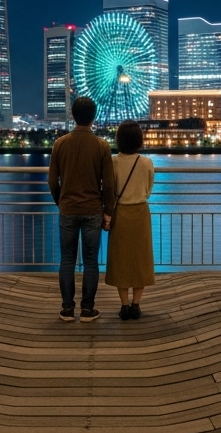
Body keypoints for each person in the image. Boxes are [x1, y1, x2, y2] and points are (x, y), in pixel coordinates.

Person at [47, 97, 116, 323]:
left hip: (67, 208)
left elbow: (52, 181)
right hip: (92, 210)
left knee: (67, 259)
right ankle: (88, 309)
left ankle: (67, 309)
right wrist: (108, 211)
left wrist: (61, 201)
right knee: (91, 260)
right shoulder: (102, 146)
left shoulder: (60, 144)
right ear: (93, 117)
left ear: (72, 115)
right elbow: (109, 184)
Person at [105, 120, 156, 320]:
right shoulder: (147, 163)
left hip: (121, 213)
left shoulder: (113, 162)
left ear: (119, 139)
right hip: (141, 213)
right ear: (139, 140)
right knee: (141, 259)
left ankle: (124, 305)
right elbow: (149, 189)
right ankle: (136, 304)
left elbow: (110, 188)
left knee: (121, 259)